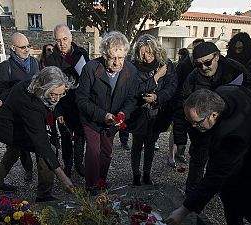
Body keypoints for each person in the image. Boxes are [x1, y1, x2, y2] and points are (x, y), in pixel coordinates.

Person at [164, 86, 251, 225]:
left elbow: (215, 175)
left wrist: (183, 210)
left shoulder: (232, 134)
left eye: (196, 123)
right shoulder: (227, 92)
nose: (194, 127)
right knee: (230, 195)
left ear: (213, 115)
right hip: (250, 160)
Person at [175, 42, 251, 195]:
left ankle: (223, 191)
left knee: (225, 161)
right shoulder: (193, 77)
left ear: (217, 57)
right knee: (198, 161)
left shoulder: (235, 69)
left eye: (207, 62)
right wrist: (180, 139)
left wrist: (236, 100)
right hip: (201, 130)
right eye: (198, 65)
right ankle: (192, 195)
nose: (204, 68)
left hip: (230, 125)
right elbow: (182, 107)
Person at [0, 66, 74, 202]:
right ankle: (44, 194)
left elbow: (15, 87)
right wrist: (62, 176)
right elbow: (41, 142)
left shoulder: (34, 82)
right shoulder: (31, 103)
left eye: (61, 94)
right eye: (53, 94)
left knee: (14, 150)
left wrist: (3, 98)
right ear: (43, 87)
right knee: (47, 151)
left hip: (17, 124)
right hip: (8, 128)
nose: (56, 99)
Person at [75, 31, 138, 192]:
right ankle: (91, 186)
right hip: (92, 119)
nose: (117, 63)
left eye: (121, 58)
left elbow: (132, 98)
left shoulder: (131, 70)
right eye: (112, 58)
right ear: (104, 55)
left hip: (114, 120)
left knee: (106, 152)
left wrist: (123, 114)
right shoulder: (90, 68)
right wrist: (103, 115)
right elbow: (81, 100)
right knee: (93, 151)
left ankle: (101, 181)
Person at [129, 34, 177, 186]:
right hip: (138, 112)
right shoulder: (133, 66)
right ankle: (136, 174)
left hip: (158, 111)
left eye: (149, 52)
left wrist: (157, 97)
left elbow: (171, 87)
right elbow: (135, 90)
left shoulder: (166, 64)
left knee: (150, 144)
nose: (146, 56)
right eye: (142, 53)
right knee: (137, 144)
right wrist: (156, 77)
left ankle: (147, 174)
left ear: (156, 50)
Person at [45, 24, 89, 178]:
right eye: (58, 40)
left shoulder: (82, 53)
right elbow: (49, 89)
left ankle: (78, 163)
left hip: (80, 104)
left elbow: (89, 79)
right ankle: (68, 165)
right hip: (63, 105)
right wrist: (57, 112)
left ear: (70, 38)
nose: (62, 43)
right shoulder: (51, 60)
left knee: (80, 135)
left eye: (64, 39)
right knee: (65, 137)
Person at [0, 32, 39, 182]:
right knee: (18, 147)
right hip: (15, 115)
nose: (27, 50)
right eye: (22, 47)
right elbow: (1, 92)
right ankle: (28, 170)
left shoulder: (34, 63)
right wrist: (20, 89)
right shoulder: (5, 67)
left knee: (40, 142)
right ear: (13, 48)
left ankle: (43, 174)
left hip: (32, 111)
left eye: (28, 46)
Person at [170, 38, 205, 166]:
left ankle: (181, 153)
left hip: (198, 104)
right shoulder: (185, 64)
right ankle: (172, 155)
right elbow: (176, 83)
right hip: (182, 101)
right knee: (177, 129)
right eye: (196, 48)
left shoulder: (204, 66)